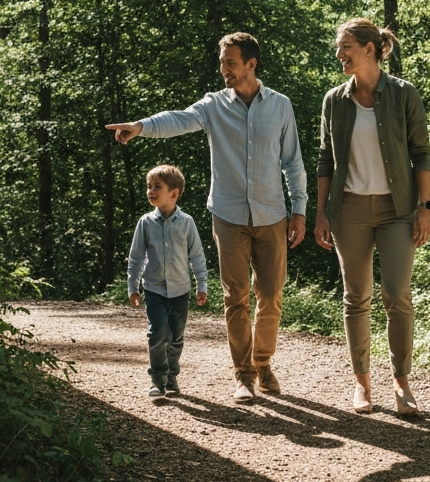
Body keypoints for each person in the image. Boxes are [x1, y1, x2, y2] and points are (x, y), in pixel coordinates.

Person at [108, 32, 307, 404]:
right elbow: (179, 119)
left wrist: (299, 210)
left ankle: (263, 363)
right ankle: (244, 375)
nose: (224, 69)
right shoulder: (214, 105)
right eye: (222, 63)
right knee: (236, 297)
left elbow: (293, 162)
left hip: (271, 215)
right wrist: (141, 126)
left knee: (271, 295)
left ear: (251, 63)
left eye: (231, 62)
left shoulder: (280, 106)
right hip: (229, 216)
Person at [313, 18, 430, 416]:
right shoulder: (334, 100)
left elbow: (422, 152)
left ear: (369, 49)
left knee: (397, 295)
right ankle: (362, 384)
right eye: (337, 46)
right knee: (356, 297)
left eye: (345, 46)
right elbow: (325, 159)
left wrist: (425, 206)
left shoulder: (403, 94)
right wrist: (321, 213)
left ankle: (402, 384)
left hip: (398, 208)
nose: (339, 54)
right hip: (348, 210)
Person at [127, 164, 208, 403]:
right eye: (148, 186)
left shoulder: (187, 223)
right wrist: (133, 286)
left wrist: (201, 284)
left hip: (180, 291)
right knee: (157, 334)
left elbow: (197, 256)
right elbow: (136, 257)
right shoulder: (145, 223)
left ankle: (172, 377)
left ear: (174, 193)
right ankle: (158, 380)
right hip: (154, 289)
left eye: (157, 187)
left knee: (175, 337)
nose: (150, 191)